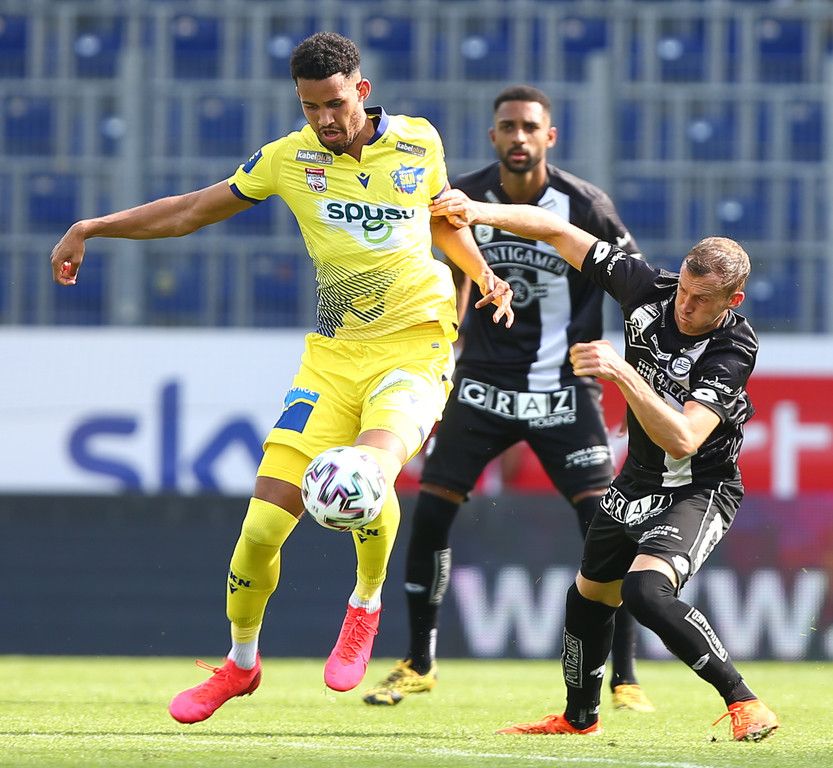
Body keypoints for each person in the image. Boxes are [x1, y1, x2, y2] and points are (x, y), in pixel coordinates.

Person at [49, 32, 513, 724]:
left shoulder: (419, 141)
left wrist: (482, 274)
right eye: (309, 107)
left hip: (415, 348)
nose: (324, 119)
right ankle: (240, 664)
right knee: (261, 529)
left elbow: (443, 221)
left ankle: (364, 605)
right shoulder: (287, 160)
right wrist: (92, 226)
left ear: (360, 91)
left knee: (366, 472)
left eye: (334, 104)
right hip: (331, 358)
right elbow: (189, 212)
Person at [428, 189, 779, 742]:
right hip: (637, 480)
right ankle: (579, 718)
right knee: (588, 596)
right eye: (684, 290)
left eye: (701, 300)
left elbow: (685, 439)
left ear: (732, 300)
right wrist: (480, 212)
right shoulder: (647, 287)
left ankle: (745, 702)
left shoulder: (732, 347)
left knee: (645, 592)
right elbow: (556, 229)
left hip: (698, 488)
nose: (684, 306)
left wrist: (623, 374)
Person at [364, 85, 653, 713]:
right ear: (493, 135)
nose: (518, 137)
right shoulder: (460, 196)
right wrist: (442, 359)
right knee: (431, 512)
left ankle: (626, 676)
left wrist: (633, 376)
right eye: (508, 126)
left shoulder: (586, 206)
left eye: (529, 127)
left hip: (562, 390)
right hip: (481, 384)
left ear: (549, 137)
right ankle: (418, 663)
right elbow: (448, 276)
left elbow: (637, 290)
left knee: (607, 527)